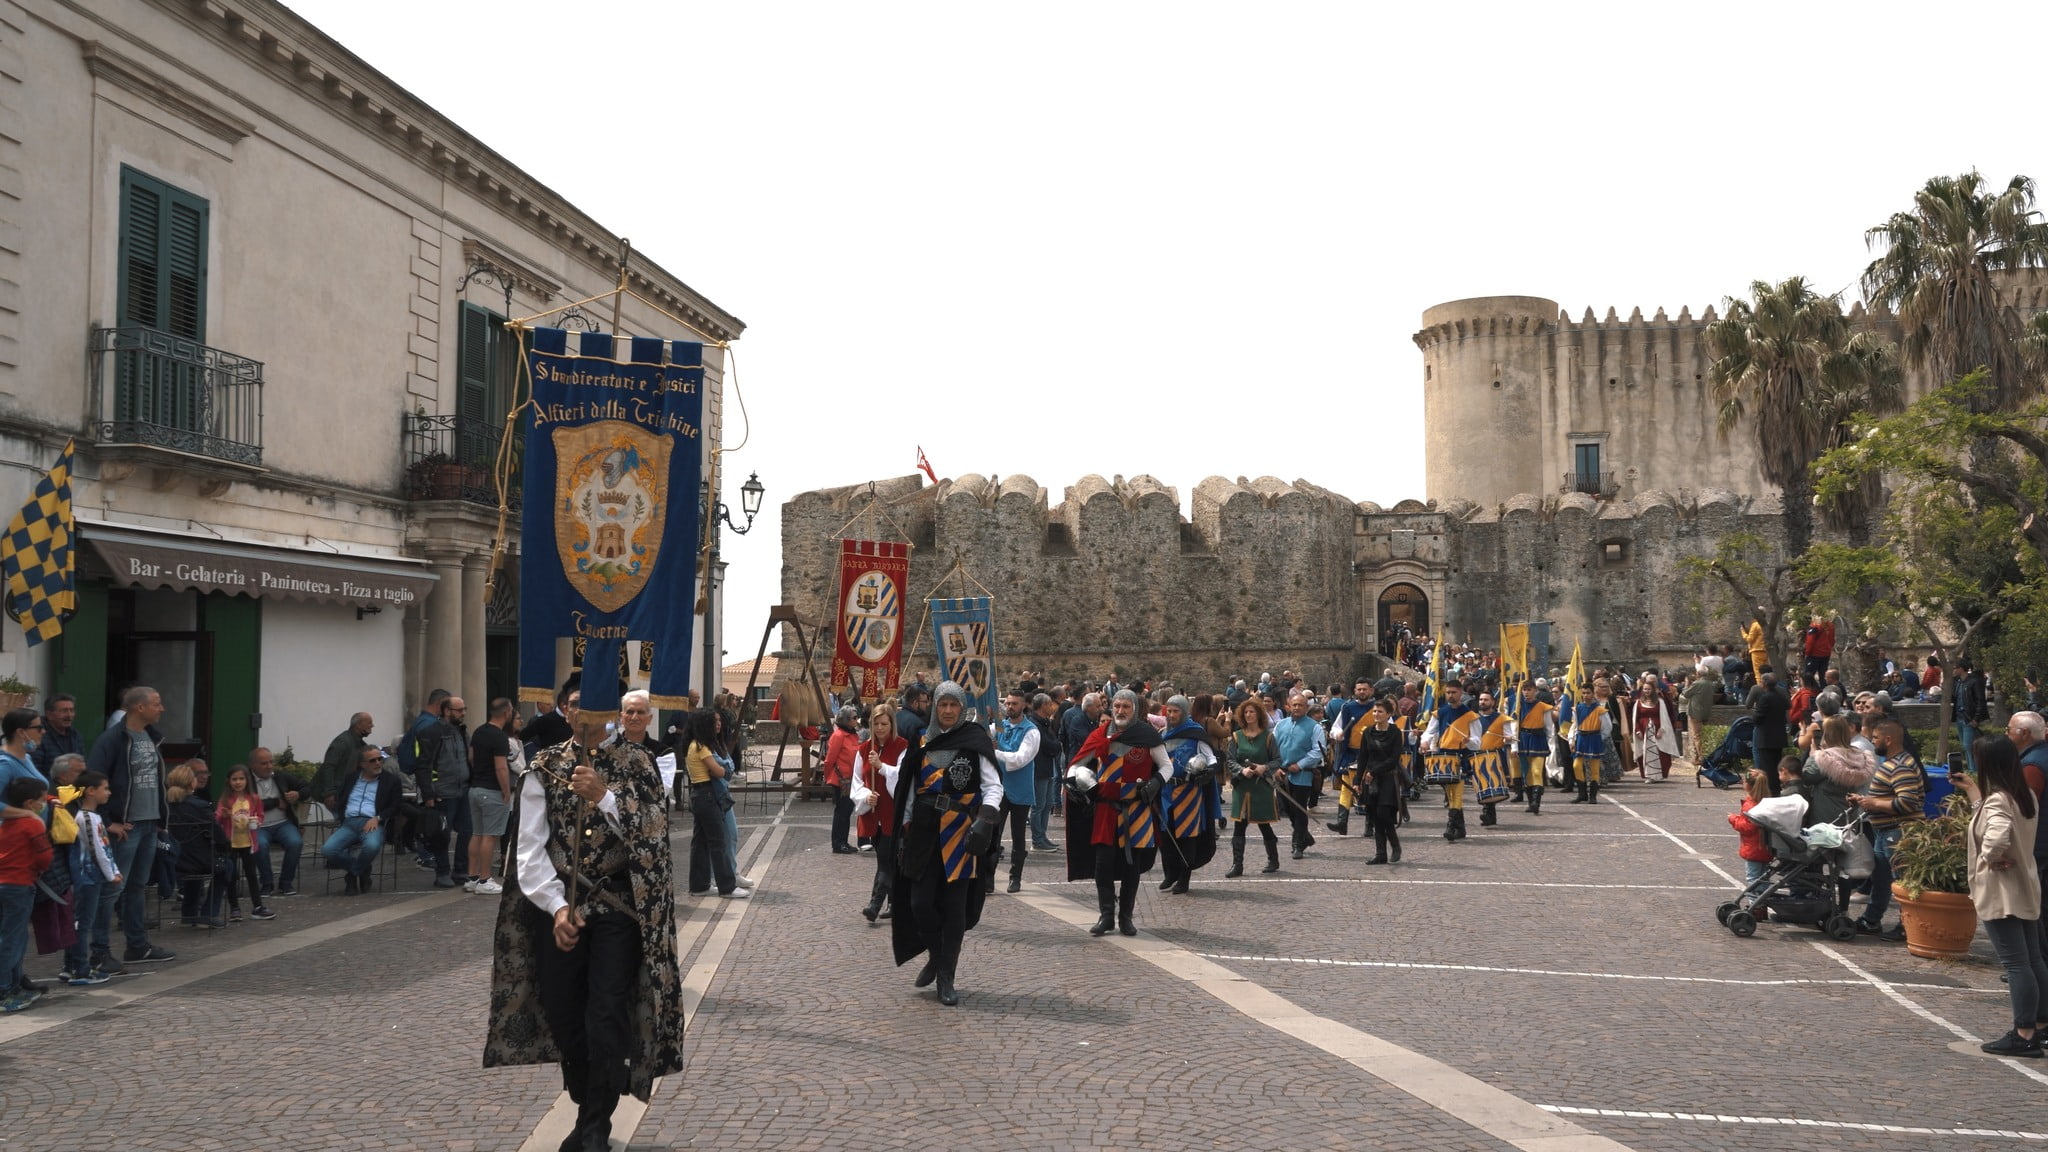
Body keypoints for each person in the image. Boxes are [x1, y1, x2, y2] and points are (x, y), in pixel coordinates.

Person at [484, 709, 683, 1151]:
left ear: (608, 714)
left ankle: (595, 1124)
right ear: (567, 711)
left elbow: (654, 828)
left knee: (607, 1011)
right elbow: (530, 848)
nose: (584, 716)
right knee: (563, 1009)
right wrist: (556, 908)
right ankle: (585, 1098)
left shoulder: (636, 761)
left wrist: (605, 796)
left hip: (618, 908)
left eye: (593, 707)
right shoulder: (545, 767)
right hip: (561, 906)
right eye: (575, 705)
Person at [890, 681, 1001, 1006]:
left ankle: (946, 976)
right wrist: (904, 826)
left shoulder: (974, 740)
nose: (949, 711)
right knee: (919, 904)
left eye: (954, 705)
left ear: (962, 707)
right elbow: (910, 788)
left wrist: (986, 818)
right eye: (943, 705)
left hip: (961, 832)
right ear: (935, 708)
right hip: (924, 831)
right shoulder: (921, 741)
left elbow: (993, 786)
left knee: (955, 908)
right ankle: (937, 955)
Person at [1952, 735, 2048, 1057]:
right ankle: (2040, 1025)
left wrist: (1989, 858)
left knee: (2017, 964)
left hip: (2002, 890)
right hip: (2024, 886)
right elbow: (1997, 818)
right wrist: (1973, 793)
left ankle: (2023, 1033)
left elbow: (1995, 835)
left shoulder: (1999, 800)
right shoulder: (2026, 797)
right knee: (2033, 960)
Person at [1065, 688, 1170, 936]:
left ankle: (1126, 918)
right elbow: (1075, 765)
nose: (1120, 711)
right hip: (1106, 809)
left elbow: (1166, 766)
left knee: (1131, 867)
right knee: (1103, 865)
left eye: (1126, 707)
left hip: (1136, 808)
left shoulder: (1147, 735)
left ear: (1135, 709)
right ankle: (1106, 916)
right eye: (1117, 706)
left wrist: (1156, 782)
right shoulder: (1100, 735)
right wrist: (1076, 783)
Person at [83, 686, 174, 970]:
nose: (162, 709)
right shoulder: (112, 739)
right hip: (126, 826)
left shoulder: (152, 737)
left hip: (148, 823)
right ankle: (99, 951)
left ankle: (137, 945)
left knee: (137, 886)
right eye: (157, 704)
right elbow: (94, 779)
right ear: (139, 707)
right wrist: (109, 822)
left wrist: (160, 820)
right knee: (112, 888)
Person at [1851, 716, 1925, 939]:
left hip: (1898, 831)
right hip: (1884, 831)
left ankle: (1907, 926)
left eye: (1875, 738)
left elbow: (1908, 802)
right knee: (1881, 878)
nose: (1872, 743)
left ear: (1889, 739)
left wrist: (1874, 803)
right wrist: (1864, 800)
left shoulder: (1901, 766)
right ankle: (1871, 920)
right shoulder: (1892, 763)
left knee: (1903, 880)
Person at [1155, 695, 1219, 895]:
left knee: (1186, 837)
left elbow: (1210, 758)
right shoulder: (1162, 734)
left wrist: (1208, 771)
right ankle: (1170, 873)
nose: (1172, 715)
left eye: (1176, 711)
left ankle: (1184, 878)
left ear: (1184, 712)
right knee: (1166, 835)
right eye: (1169, 711)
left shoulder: (1194, 733)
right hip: (1165, 791)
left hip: (1188, 792)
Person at [0, 776, 53, 1013]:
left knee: (9, 935)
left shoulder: (5, 823)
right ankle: (4, 989)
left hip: (5, 882)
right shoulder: (32, 825)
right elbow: (44, 856)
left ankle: (12, 983)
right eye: (42, 800)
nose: (44, 804)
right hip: (20, 884)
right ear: (31, 803)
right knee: (13, 938)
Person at [682, 710, 747, 899]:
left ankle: (699, 885)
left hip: (698, 794)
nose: (718, 725)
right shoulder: (702, 747)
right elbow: (720, 772)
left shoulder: (693, 745)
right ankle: (727, 887)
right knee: (718, 842)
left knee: (700, 843)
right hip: (707, 795)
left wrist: (724, 770)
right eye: (714, 722)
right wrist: (725, 770)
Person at [59, 771, 116, 985]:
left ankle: (70, 966)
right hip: (88, 877)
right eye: (105, 788)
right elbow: (98, 849)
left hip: (88, 876)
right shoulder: (86, 818)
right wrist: (111, 873)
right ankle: (80, 968)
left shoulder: (91, 817)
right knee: (82, 923)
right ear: (91, 792)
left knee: (78, 922)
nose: (108, 793)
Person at [322, 743, 401, 894]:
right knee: (328, 850)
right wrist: (341, 816)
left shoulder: (391, 780)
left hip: (372, 822)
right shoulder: (351, 778)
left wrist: (378, 817)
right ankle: (362, 869)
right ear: (362, 764)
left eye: (380, 759)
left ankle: (352, 875)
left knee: (371, 846)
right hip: (349, 823)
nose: (378, 763)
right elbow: (341, 799)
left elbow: (396, 806)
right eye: (373, 760)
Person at [854, 705, 907, 922]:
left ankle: (874, 904)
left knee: (885, 859)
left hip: (892, 815)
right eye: (876, 724)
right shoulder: (864, 749)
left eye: (884, 724)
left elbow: (903, 777)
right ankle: (895, 902)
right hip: (872, 814)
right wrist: (866, 796)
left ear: (892, 724)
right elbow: (857, 780)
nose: (879, 728)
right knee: (885, 859)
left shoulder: (903, 746)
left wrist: (882, 766)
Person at [413, 696, 471, 889]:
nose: (463, 713)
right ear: (447, 711)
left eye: (464, 709)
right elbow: (423, 765)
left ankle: (461, 870)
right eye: (459, 710)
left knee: (467, 831)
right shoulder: (431, 732)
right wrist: (429, 794)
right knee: (441, 834)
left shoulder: (460, 731)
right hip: (443, 792)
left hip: (462, 789)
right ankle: (443, 872)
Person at [1223, 698, 1282, 876]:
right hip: (1242, 788)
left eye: (1252, 712)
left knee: (1264, 824)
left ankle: (1273, 859)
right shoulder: (1236, 736)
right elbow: (1230, 760)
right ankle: (1237, 865)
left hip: (1261, 787)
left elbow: (1277, 760)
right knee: (1239, 826)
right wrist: (1241, 770)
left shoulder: (1268, 737)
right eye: (1246, 712)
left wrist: (1265, 768)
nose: (1248, 715)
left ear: (1258, 714)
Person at [989, 691, 1041, 893]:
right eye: (1008, 703)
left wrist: (995, 751)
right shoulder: (1000, 726)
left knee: (1019, 836)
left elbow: (1020, 759)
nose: (1010, 707)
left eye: (1014, 704)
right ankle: (988, 878)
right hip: (999, 788)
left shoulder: (1032, 731)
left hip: (1020, 789)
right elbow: (981, 730)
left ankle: (1015, 877)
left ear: (1023, 706)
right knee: (994, 833)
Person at [468, 699, 520, 897]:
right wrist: (506, 790)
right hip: (492, 790)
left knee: (477, 834)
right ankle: (485, 878)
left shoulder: (479, 731)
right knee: (490, 836)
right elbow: (501, 767)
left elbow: (471, 757)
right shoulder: (499, 737)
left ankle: (472, 877)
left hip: (475, 788)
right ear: (507, 713)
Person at [165, 765, 227, 928]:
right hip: (198, 861)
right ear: (191, 783)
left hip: (171, 861)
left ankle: (189, 913)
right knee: (227, 867)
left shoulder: (164, 806)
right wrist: (226, 846)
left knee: (195, 864)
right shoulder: (200, 806)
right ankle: (209, 913)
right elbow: (218, 835)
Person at [1421, 680, 1482, 837]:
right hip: (1443, 757)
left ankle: (1450, 826)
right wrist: (1425, 741)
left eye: (1454, 692)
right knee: (1450, 794)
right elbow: (1429, 731)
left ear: (1461, 693)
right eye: (1448, 692)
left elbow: (1477, 742)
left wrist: (1470, 741)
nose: (1450, 695)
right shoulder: (1440, 713)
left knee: (1457, 791)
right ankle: (1460, 829)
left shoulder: (1471, 716)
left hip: (1461, 756)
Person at [214, 766, 275, 922]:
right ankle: (234, 908)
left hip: (248, 841)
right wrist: (224, 815)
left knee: (251, 875)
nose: (238, 782)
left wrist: (257, 822)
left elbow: (260, 815)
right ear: (229, 781)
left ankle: (258, 906)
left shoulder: (254, 798)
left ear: (247, 780)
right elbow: (217, 818)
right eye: (234, 779)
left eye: (241, 779)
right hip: (231, 842)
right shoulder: (225, 799)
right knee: (232, 875)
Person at [245, 748, 307, 898]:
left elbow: (306, 786)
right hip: (258, 825)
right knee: (260, 844)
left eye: (271, 762)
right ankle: (267, 883)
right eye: (264, 763)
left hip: (282, 823)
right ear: (253, 765)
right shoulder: (246, 780)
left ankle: (286, 882)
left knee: (295, 842)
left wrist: (298, 794)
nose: (269, 766)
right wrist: (275, 802)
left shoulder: (279, 776)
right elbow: (248, 804)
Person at [1270, 691, 1324, 858]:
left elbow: (1318, 751)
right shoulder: (1281, 725)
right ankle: (1305, 836)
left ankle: (1298, 844)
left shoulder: (1315, 727)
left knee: (1299, 809)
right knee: (1288, 810)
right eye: (1294, 705)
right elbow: (1272, 747)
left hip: (1303, 775)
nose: (1297, 708)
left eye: (1300, 705)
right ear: (1289, 706)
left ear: (1306, 707)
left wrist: (1300, 765)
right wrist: (1275, 768)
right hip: (1282, 774)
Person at [1353, 700, 1405, 864]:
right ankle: (1380, 853)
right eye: (1375, 711)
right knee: (1375, 816)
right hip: (1370, 780)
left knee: (1384, 814)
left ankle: (1395, 845)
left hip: (1388, 778)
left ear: (1389, 714)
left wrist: (1374, 772)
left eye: (1380, 712)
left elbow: (1394, 758)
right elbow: (1363, 757)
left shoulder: (1395, 733)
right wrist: (1357, 780)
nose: (1376, 714)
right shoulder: (1368, 732)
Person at [822, 706, 862, 855]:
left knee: (846, 812)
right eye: (853, 717)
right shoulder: (839, 736)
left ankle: (843, 841)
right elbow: (829, 760)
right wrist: (829, 778)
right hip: (841, 780)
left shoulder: (852, 735)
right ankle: (838, 843)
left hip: (851, 779)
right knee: (842, 812)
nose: (856, 719)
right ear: (846, 720)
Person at [315, 713, 373, 815]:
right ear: (358, 725)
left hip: (346, 792)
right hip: (337, 794)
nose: (372, 725)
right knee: (344, 822)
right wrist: (329, 793)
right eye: (369, 723)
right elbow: (328, 766)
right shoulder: (342, 741)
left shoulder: (359, 744)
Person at [1513, 680, 1557, 815]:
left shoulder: (1543, 707)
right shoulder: (1518, 707)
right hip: (1523, 740)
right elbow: (1514, 728)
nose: (1526, 692)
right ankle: (1530, 801)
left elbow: (1549, 728)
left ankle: (1536, 802)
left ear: (1535, 691)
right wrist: (1514, 745)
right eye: (1524, 689)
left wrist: (1551, 744)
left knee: (1537, 770)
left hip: (1538, 739)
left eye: (1529, 689)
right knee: (1527, 773)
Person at [1568, 680, 1613, 805]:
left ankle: (1593, 796)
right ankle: (1582, 793)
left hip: (1594, 739)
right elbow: (1575, 726)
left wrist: (1599, 738)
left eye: (1588, 693)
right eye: (1583, 693)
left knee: (1594, 769)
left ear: (1593, 694)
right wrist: (1572, 740)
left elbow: (1607, 727)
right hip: (1581, 738)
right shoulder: (1577, 708)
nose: (1585, 695)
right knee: (1576, 765)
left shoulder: (1600, 710)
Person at [1747, 670, 1790, 798]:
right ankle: (1775, 788)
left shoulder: (1766, 697)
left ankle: (1769, 790)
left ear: (1764, 684)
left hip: (1766, 736)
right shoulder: (1781, 695)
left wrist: (1754, 717)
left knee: (1767, 766)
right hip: (1778, 735)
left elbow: (1758, 717)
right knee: (1776, 764)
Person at [1028, 693, 1063, 851]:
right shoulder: (1034, 723)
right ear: (1042, 706)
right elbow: (1049, 745)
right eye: (1049, 704)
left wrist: (1055, 746)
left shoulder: (1044, 723)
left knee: (1046, 804)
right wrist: (1055, 746)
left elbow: (1055, 743)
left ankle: (1042, 836)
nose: (1052, 707)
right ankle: (1037, 840)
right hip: (1039, 769)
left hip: (1047, 768)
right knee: (1038, 806)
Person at [1729, 769, 1773, 885]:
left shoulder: (1750, 805)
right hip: (1766, 847)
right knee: (1764, 878)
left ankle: (1755, 902)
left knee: (1753, 878)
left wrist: (1733, 819)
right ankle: (1763, 900)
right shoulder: (1766, 802)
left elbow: (1747, 827)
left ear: (1748, 785)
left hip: (1754, 848)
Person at [1632, 676, 1679, 782]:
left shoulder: (1659, 702)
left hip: (1657, 730)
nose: (1647, 691)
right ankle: (1649, 775)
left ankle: (1659, 775)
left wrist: (1661, 729)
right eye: (1645, 689)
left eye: (1648, 689)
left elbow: (1664, 717)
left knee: (1660, 752)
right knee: (1645, 752)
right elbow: (1636, 718)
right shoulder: (1638, 702)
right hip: (1644, 731)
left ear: (1653, 690)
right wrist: (1637, 730)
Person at [29, 694, 82, 782]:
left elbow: (81, 764)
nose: (69, 715)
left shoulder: (75, 735)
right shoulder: (38, 735)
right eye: (64, 711)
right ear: (49, 714)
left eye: (71, 710)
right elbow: (35, 770)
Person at [521, 683, 579, 758]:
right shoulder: (545, 720)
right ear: (563, 705)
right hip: (550, 761)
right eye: (574, 705)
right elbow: (524, 736)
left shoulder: (576, 720)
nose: (577, 709)